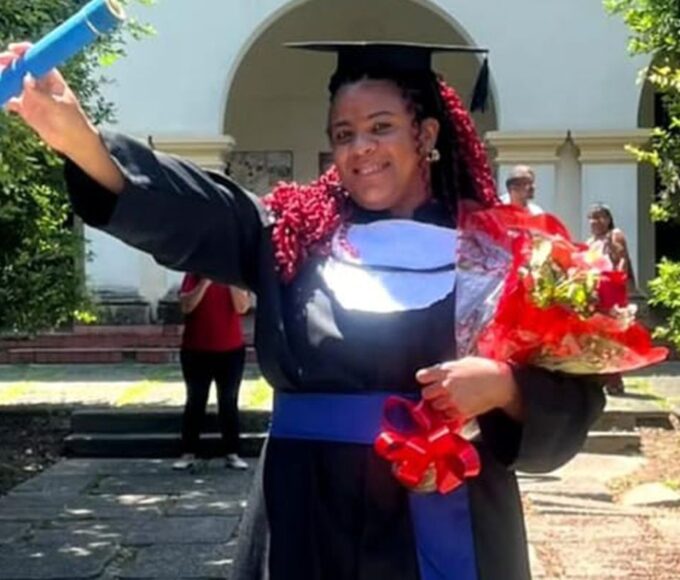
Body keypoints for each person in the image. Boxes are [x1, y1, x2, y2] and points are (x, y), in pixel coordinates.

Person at [2, 40, 605, 580]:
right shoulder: (293, 236)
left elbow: (569, 398)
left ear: (425, 135)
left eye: (381, 127)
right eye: (343, 134)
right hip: (306, 514)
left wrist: (504, 386)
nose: (361, 149)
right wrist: (76, 136)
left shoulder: (499, 254)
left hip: (446, 511)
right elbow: (195, 207)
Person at [172, 274, 250, 471]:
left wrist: (230, 282)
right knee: (196, 399)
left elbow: (242, 307)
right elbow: (186, 306)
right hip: (196, 350)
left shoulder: (233, 276)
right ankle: (188, 452)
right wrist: (205, 282)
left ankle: (232, 452)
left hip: (231, 350)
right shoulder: (193, 274)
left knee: (228, 400)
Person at [586, 202, 635, 396]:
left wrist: (618, 281)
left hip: (612, 292)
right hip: (595, 294)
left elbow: (622, 260)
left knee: (612, 336)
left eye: (600, 216)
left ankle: (615, 380)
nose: (595, 221)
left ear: (608, 219)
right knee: (596, 337)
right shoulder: (590, 242)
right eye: (592, 217)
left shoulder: (614, 235)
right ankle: (600, 377)